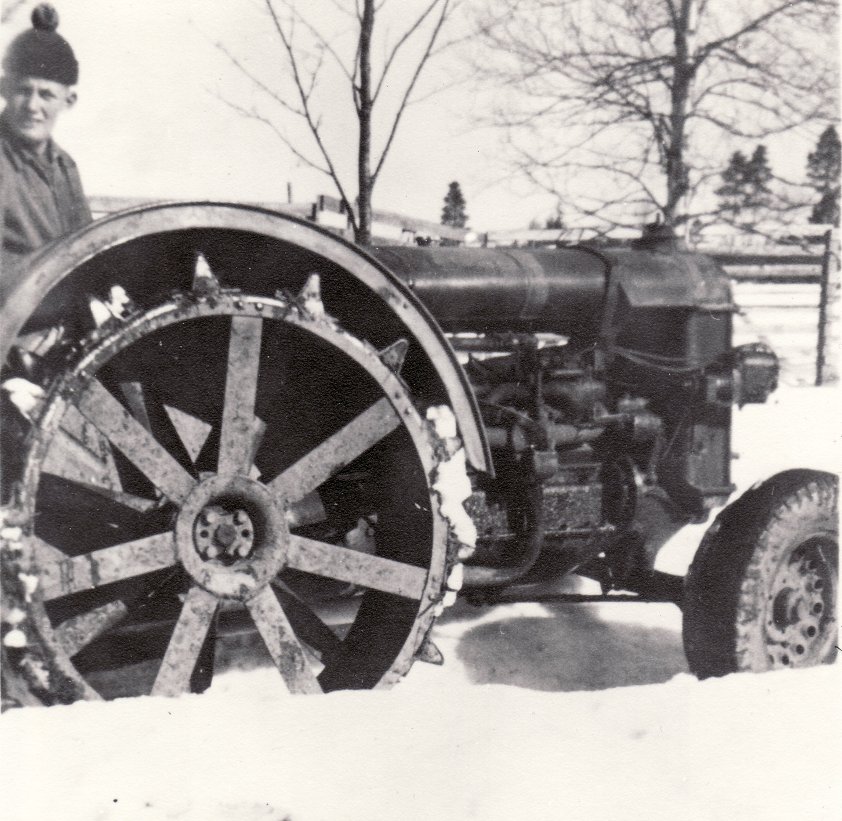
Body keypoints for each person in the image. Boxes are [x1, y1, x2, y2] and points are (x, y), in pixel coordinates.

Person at [1, 3, 90, 274]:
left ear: (69, 100)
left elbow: (89, 244)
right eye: (23, 91)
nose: (32, 106)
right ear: (4, 89)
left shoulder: (65, 165)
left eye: (46, 94)